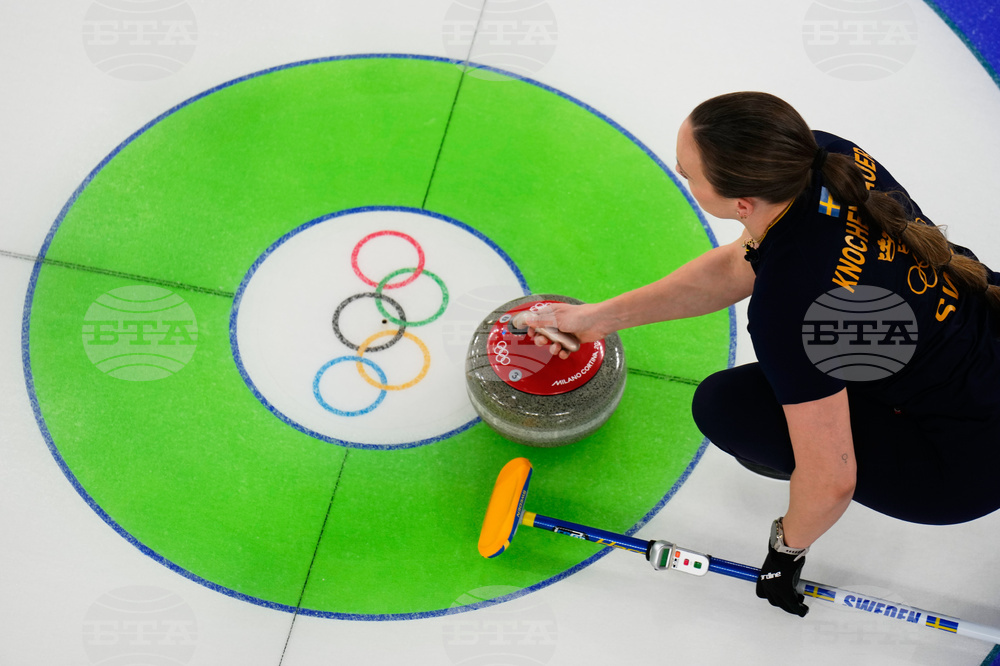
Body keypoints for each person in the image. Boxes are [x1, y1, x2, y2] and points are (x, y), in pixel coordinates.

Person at [522, 92, 1000, 617]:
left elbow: (831, 480)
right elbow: (741, 265)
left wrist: (785, 550)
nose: (679, 169)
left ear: (741, 205)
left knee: (726, 406)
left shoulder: (788, 309)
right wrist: (594, 321)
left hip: (967, 461)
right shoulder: (825, 157)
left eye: (688, 173)